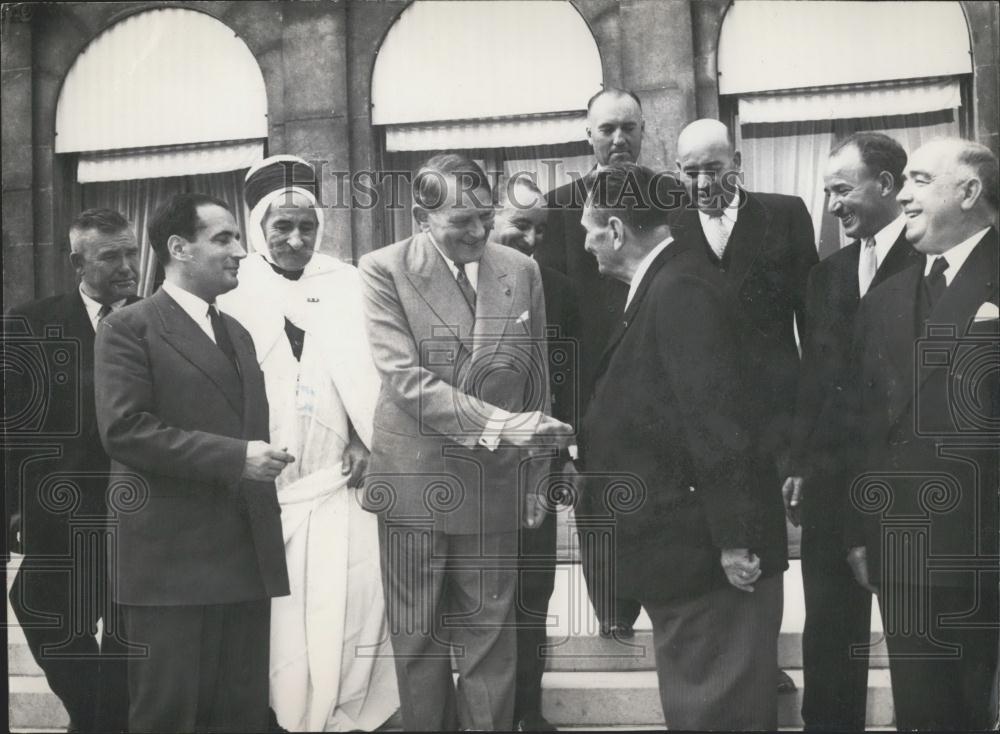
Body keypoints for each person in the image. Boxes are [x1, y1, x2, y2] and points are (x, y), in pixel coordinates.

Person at [358, 153, 573, 731]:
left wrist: (537, 476)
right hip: (413, 484)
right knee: (420, 637)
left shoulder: (519, 269)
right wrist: (502, 426)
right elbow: (405, 379)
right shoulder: (383, 269)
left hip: (495, 483)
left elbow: (536, 385)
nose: (478, 232)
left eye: (483, 216)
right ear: (421, 217)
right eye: (461, 222)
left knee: (492, 636)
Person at [576, 163, 786, 729]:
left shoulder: (680, 290)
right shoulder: (667, 285)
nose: (586, 244)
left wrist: (736, 540)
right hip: (685, 558)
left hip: (707, 565)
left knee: (717, 713)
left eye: (590, 231)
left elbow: (717, 423)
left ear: (616, 230)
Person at [94, 193, 292, 733]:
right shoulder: (129, 327)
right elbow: (125, 430)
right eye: (223, 238)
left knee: (241, 715)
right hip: (170, 569)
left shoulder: (240, 335)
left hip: (243, 559)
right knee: (170, 716)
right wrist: (236, 458)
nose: (240, 252)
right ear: (178, 248)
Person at [218, 155, 398, 732]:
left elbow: (370, 373)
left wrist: (367, 444)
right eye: (281, 227)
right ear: (258, 228)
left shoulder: (346, 282)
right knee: (281, 617)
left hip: (336, 478)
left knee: (351, 602)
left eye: (308, 227)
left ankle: (345, 708)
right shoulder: (231, 286)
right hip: (265, 485)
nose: (296, 240)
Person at [844, 138, 999, 731]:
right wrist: (861, 532)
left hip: (985, 550)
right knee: (921, 712)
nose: (903, 194)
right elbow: (863, 430)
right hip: (903, 551)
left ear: (968, 191)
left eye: (920, 180)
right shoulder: (882, 302)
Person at [783, 132, 917, 731]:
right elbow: (815, 380)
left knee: (917, 640)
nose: (832, 204)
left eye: (842, 189)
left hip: (905, 489)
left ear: (885, 185)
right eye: (827, 192)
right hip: (833, 485)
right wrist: (799, 461)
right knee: (831, 638)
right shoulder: (827, 275)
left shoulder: (929, 262)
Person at [4, 208, 138, 733]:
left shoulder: (157, 319)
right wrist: (14, 506)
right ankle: (97, 718)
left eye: (130, 252)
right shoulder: (31, 322)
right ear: (76, 262)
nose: (127, 265)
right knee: (40, 610)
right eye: (111, 256)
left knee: (129, 637)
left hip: (135, 515)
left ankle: (102, 723)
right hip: (58, 518)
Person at [535, 87, 648, 639]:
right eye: (607, 129)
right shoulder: (559, 209)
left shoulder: (671, 198)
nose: (619, 139)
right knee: (600, 510)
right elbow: (554, 325)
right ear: (589, 135)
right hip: (592, 395)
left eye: (629, 127)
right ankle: (613, 618)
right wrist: (569, 416)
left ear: (645, 131)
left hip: (659, 388)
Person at [490, 174, 578, 732]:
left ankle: (527, 709)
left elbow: (568, 380)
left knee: (531, 590)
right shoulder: (453, 288)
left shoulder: (560, 289)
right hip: (470, 467)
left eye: (540, 229)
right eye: (519, 224)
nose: (531, 238)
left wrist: (562, 454)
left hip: (535, 468)